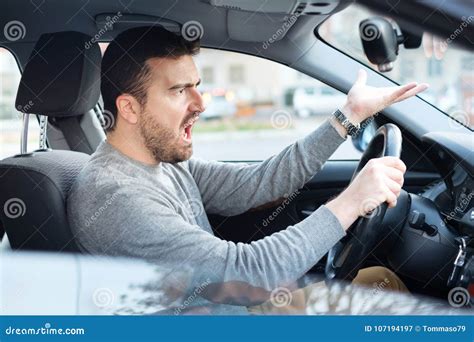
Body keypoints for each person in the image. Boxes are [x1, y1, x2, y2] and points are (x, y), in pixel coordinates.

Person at [67, 26, 428, 314]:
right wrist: (352, 202)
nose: (201, 104)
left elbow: (258, 184)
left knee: (378, 281)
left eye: (198, 87)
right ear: (129, 108)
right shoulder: (114, 195)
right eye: (180, 91)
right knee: (386, 299)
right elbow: (246, 274)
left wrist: (348, 117)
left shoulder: (162, 162)